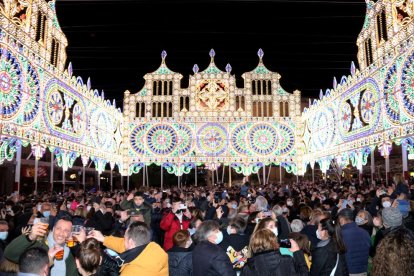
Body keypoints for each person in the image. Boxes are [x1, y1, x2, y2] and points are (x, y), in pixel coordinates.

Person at [4, 217, 78, 276]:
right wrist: (30, 237)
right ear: (53, 229)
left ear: (71, 233)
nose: (61, 233)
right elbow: (10, 254)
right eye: (58, 228)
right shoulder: (38, 246)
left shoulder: (73, 252)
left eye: (66, 230)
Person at [91, 221, 168, 275]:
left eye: (125, 238)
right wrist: (103, 239)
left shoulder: (130, 272)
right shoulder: (156, 249)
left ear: (131, 242)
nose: (123, 240)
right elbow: (123, 245)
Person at [240, 229, 309, 276]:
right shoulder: (287, 261)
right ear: (274, 242)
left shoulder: (247, 268)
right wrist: (297, 252)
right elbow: (304, 274)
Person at [337, 208, 370, 275]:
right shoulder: (365, 232)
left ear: (341, 219)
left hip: (349, 271)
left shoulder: (341, 234)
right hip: (364, 270)